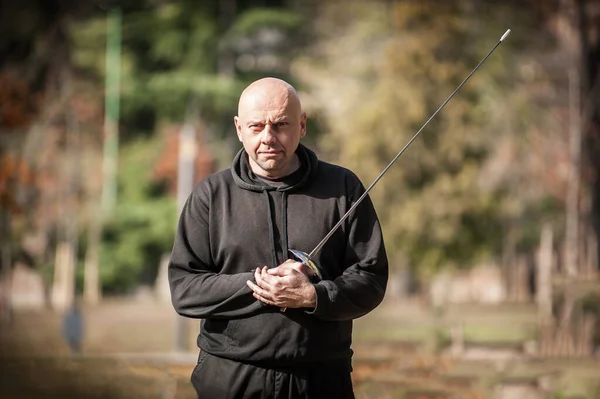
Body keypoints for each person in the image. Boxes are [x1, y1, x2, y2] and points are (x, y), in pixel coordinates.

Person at [168, 77, 388, 398]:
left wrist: (314, 297)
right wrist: (262, 287)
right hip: (230, 378)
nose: (268, 137)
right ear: (239, 128)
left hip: (321, 380)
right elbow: (185, 289)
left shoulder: (344, 188)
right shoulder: (210, 196)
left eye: (281, 124)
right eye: (256, 127)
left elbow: (371, 278)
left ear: (302, 125)